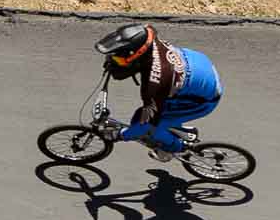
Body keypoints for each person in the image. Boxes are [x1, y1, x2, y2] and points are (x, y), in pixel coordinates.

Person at [94, 24, 223, 162]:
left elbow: (145, 124)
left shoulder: (155, 85)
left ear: (137, 55)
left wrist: (120, 135)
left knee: (148, 126)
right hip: (199, 66)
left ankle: (173, 148)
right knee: (152, 113)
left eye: (119, 60)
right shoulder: (147, 35)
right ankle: (175, 128)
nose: (115, 61)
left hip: (204, 100)